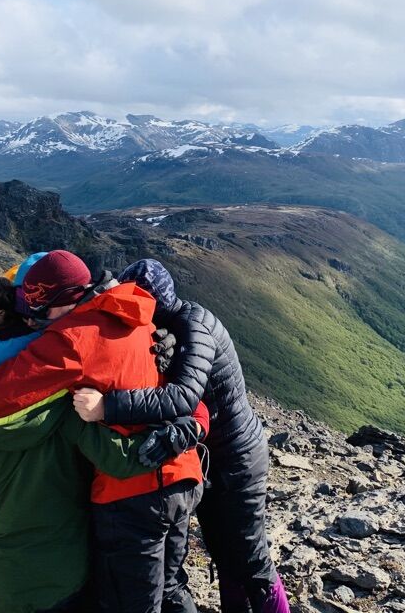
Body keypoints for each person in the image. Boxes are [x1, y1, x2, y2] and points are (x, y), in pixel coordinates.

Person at [0, 250, 208, 613]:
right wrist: (195, 425)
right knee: (171, 590)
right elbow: (180, 393)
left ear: (70, 298)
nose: (36, 320)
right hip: (181, 473)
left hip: (130, 491)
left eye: (42, 310)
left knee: (131, 603)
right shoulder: (136, 312)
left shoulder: (71, 339)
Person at [73, 260, 290, 613]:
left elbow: (185, 396)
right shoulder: (174, 326)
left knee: (249, 557)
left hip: (237, 457)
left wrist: (106, 407)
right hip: (212, 455)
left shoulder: (195, 327)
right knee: (222, 550)